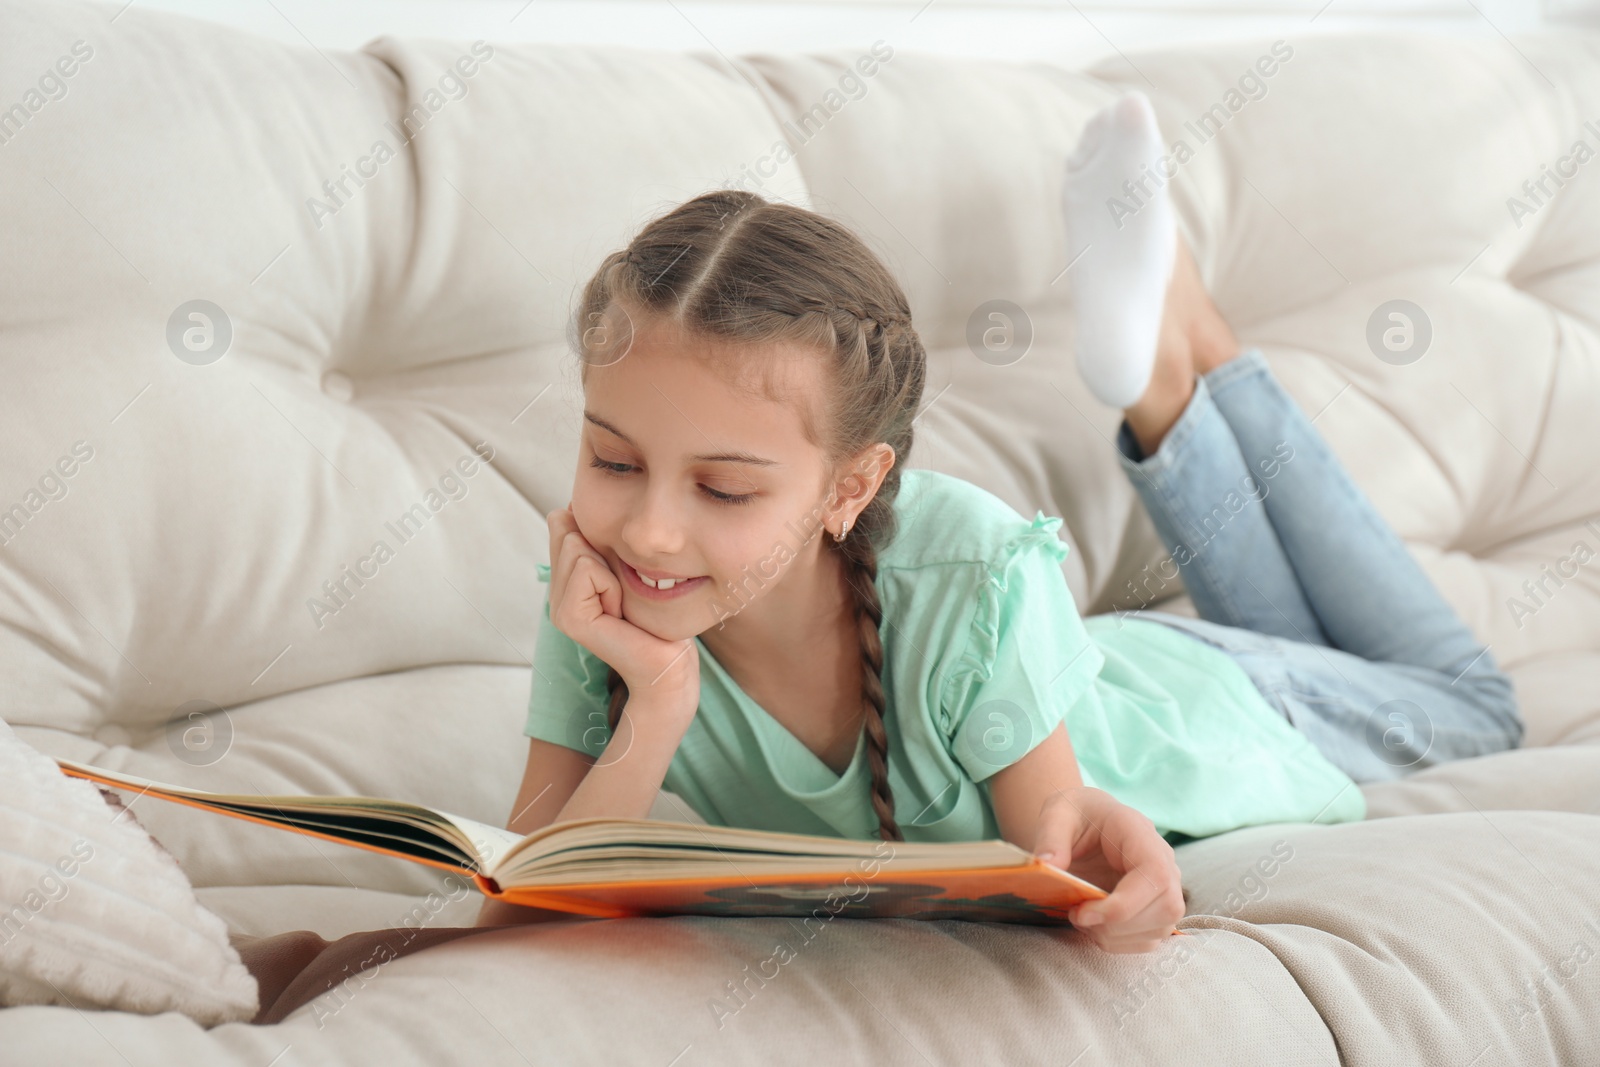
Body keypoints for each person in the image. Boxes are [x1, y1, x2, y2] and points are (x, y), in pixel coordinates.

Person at [475, 91, 1522, 953]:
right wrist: (653, 702)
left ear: (850, 487)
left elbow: (1053, 859)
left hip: (1213, 706)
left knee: (1475, 707)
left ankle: (1195, 351)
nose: (649, 530)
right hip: (1085, 661)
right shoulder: (601, 598)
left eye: (723, 489)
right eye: (613, 459)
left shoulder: (966, 565)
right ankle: (1178, 362)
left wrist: (1114, 890)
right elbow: (520, 896)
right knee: (1335, 641)